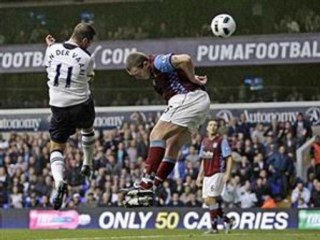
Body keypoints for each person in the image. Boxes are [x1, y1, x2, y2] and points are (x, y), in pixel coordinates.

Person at [124, 52, 210, 207]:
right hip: (199, 102)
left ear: (144, 64)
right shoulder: (155, 74)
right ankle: (154, 186)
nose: (137, 78)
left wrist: (192, 78)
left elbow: (186, 59)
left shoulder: (157, 62)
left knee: (156, 135)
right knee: (173, 144)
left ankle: (146, 182)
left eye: (137, 74)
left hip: (189, 99)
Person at [44, 22, 96, 210]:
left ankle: (59, 181)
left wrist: (51, 47)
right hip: (80, 106)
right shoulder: (86, 57)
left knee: (56, 146)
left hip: (58, 107)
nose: (89, 46)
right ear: (84, 40)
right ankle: (87, 162)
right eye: (89, 42)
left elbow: (52, 63)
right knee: (88, 128)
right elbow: (89, 77)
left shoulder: (51, 50)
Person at [196, 120, 234, 234]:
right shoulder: (204, 141)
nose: (213, 127)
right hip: (207, 174)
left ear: (217, 128)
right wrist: (199, 176)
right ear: (207, 128)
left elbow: (229, 158)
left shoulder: (222, 141)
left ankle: (214, 228)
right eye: (211, 125)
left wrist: (227, 173)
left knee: (210, 199)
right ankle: (227, 220)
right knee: (207, 201)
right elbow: (204, 159)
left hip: (217, 172)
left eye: (215, 125)